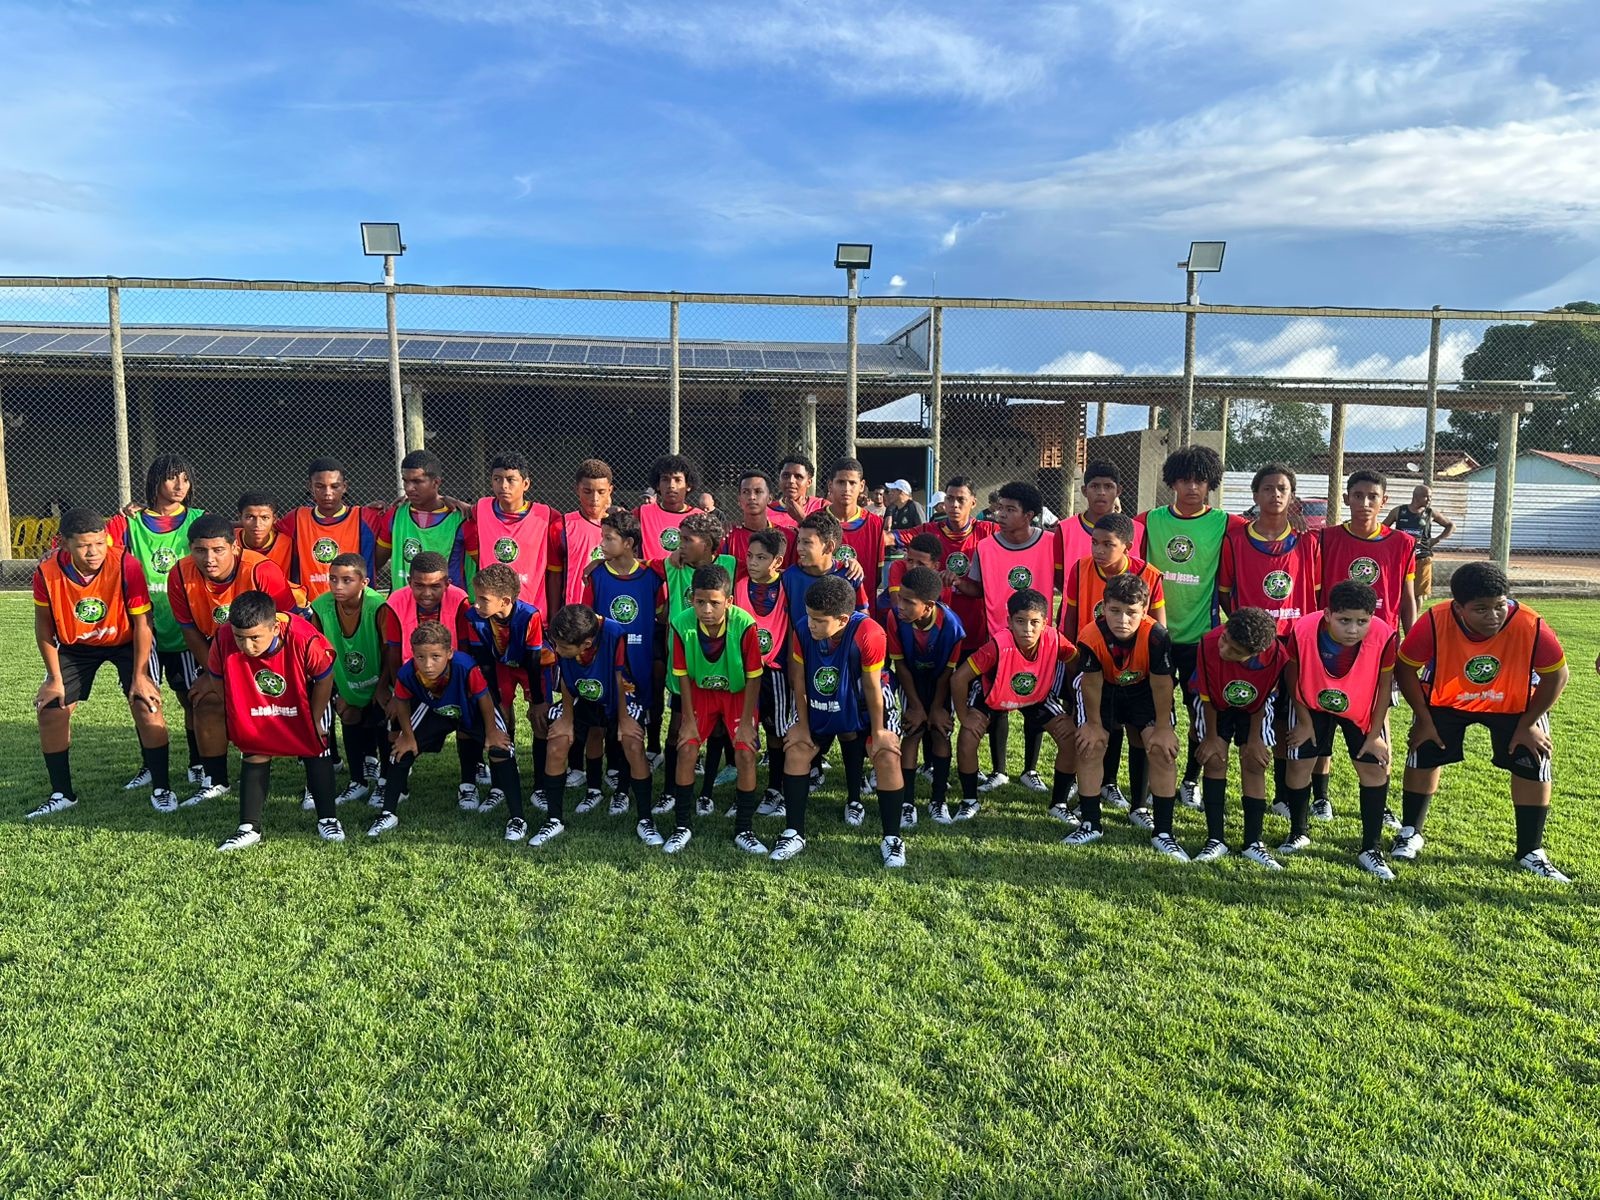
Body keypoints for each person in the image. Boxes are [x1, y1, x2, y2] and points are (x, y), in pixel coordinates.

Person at [1397, 561, 1571, 881]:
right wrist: (1423, 719)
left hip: (1514, 701)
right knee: (1424, 749)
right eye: (1481, 609)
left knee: (1534, 756)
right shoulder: (1435, 621)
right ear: (1458, 607)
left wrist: (1529, 723)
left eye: (1499, 606)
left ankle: (1531, 850)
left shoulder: (1530, 624)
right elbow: (1405, 668)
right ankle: (1410, 832)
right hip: (1448, 697)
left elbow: (1558, 676)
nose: (1493, 616)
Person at [30, 508, 172, 818]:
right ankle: (62, 794)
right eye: (84, 545)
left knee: (146, 702)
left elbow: (143, 623)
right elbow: (43, 627)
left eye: (99, 543)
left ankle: (162, 787)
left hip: (127, 640)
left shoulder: (126, 564)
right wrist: (53, 678)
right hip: (76, 646)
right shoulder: (46, 572)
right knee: (51, 709)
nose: (93, 552)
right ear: (64, 544)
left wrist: (140, 676)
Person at [775, 575, 908, 868]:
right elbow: (799, 680)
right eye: (809, 616)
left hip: (864, 703)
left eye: (819, 620)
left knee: (887, 755)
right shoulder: (803, 628)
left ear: (843, 619)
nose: (811, 624)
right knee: (796, 749)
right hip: (819, 698)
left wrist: (878, 732)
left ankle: (892, 838)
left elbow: (872, 687)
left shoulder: (870, 633)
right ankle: (794, 833)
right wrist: (802, 726)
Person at [1138, 444, 1243, 810]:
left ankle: (1189, 781)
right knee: (1154, 714)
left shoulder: (1226, 523)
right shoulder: (1149, 521)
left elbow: (1268, 533)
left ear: (1211, 483)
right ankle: (1149, 783)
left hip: (1202, 639)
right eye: (1184, 480)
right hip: (1156, 635)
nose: (1192, 487)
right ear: (1172, 482)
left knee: (1202, 714)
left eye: (1200, 480)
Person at [167, 513, 297, 807]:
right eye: (200, 550)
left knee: (290, 703)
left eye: (218, 550)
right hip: (219, 652)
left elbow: (287, 624)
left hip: (269, 652)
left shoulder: (261, 570)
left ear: (234, 547)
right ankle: (215, 780)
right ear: (190, 549)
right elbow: (190, 630)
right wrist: (215, 675)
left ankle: (313, 770)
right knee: (205, 699)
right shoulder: (179, 574)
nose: (209, 558)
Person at [1218, 463, 1323, 811]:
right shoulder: (1236, 540)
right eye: (1267, 488)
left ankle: (1286, 795)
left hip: (1295, 646)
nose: (1275, 495)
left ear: (1291, 497)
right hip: (1255, 648)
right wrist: (1246, 630)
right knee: (1256, 716)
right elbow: (1225, 593)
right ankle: (1255, 789)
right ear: (1255, 494)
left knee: (1290, 720)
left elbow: (1317, 595)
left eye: (1282, 489)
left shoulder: (1308, 541)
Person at [210, 591, 346, 850]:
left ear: (274, 628)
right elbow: (217, 676)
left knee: (316, 747)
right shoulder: (224, 636)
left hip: (306, 693)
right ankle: (248, 827)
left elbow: (324, 677)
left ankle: (328, 819)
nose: (247, 646)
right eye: (240, 637)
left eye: (255, 638)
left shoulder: (303, 637)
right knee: (254, 749)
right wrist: (237, 708)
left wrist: (315, 717)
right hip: (254, 691)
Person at [1281, 581, 1398, 878]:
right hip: (1312, 704)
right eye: (1344, 620)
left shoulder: (1385, 635)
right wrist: (1304, 721)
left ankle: (1371, 848)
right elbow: (1292, 675)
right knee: (1298, 765)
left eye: (1362, 621)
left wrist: (1375, 734)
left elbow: (1385, 687)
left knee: (1374, 770)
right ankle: (1298, 832)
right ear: (1328, 614)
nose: (1353, 629)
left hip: (1361, 708)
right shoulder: (1303, 630)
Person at [366, 621, 518, 840]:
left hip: (473, 710)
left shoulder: (465, 666)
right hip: (435, 710)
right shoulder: (407, 673)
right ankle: (388, 813)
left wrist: (492, 731)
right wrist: (407, 736)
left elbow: (484, 698)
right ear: (413, 654)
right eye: (420, 657)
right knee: (400, 751)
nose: (427, 664)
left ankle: (517, 819)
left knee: (501, 750)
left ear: (449, 653)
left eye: (435, 656)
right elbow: (402, 701)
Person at [957, 480, 1064, 794]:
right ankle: (999, 770)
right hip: (999, 641)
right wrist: (958, 583)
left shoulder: (1050, 543)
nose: (1000, 514)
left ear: (1029, 515)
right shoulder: (986, 547)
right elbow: (978, 588)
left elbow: (1063, 582)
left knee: (1036, 700)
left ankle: (1030, 769)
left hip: (1037, 641)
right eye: (999, 508)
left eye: (1009, 509)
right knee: (997, 703)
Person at [105, 454, 204, 790]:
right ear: (155, 481)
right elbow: (92, 545)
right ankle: (150, 764)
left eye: (185, 479)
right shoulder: (128, 523)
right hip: (142, 627)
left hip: (186, 626)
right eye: (172, 477)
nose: (180, 485)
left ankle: (197, 761)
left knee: (192, 697)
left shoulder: (199, 520)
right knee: (144, 698)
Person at [1065, 573, 1180, 853]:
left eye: (1131, 612)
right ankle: (1090, 823)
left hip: (1143, 689)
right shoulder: (1090, 635)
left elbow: (1161, 684)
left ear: (1145, 610)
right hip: (1104, 689)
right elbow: (1091, 683)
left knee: (1161, 750)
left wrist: (1163, 728)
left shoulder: (1157, 636)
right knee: (1091, 745)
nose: (1123, 619)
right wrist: (1094, 724)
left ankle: (1163, 832)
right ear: (1104, 607)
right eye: (1115, 610)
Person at [949, 588, 1076, 825]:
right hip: (994, 695)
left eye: (1034, 622)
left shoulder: (1056, 640)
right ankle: (969, 800)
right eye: (1020, 621)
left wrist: (1073, 713)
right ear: (1009, 621)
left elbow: (1081, 671)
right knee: (967, 737)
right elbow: (958, 678)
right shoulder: (997, 646)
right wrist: (964, 716)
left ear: (1045, 623)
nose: (1027, 629)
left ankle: (1059, 804)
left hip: (1036, 695)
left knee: (1070, 738)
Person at [665, 564, 765, 855]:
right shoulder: (681, 624)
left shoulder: (744, 625)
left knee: (745, 753)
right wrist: (687, 719)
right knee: (686, 749)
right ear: (691, 599)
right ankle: (682, 825)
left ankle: (744, 829)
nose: (706, 609)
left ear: (729, 601)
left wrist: (746, 723)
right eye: (700, 602)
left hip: (737, 696)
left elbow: (754, 677)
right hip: (701, 694)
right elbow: (683, 675)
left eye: (714, 602)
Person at [537, 602, 654, 846]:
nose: (556, 650)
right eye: (556, 644)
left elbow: (619, 677)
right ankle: (555, 818)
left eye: (563, 647)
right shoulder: (565, 637)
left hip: (619, 692)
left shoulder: (613, 633)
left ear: (587, 644)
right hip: (583, 693)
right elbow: (566, 677)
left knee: (632, 742)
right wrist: (566, 719)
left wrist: (624, 720)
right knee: (557, 742)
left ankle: (645, 819)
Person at [1190, 607, 1288, 866]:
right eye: (1225, 640)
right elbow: (1207, 695)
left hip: (1254, 708)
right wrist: (1212, 737)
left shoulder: (1277, 656)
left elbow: (1262, 697)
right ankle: (1215, 839)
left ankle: (1253, 842)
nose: (1224, 649)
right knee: (1214, 759)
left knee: (1254, 762)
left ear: (1255, 653)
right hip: (1215, 705)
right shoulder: (1208, 643)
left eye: (1234, 651)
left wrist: (1254, 739)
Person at [458, 562, 544, 835]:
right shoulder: (474, 618)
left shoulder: (530, 616)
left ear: (505, 601)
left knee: (540, 720)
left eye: (483, 599)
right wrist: (495, 703)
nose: (476, 603)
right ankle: (500, 784)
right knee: (501, 717)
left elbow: (534, 660)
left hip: (530, 668)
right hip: (498, 667)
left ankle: (541, 786)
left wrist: (537, 700)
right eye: (476, 597)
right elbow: (483, 661)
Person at [581, 510, 667, 776]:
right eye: (602, 537)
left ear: (628, 543)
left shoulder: (651, 576)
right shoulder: (596, 576)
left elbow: (662, 614)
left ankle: (641, 760)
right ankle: (612, 767)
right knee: (607, 713)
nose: (602, 544)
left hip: (640, 656)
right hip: (607, 660)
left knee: (641, 708)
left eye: (609, 538)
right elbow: (587, 620)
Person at [306, 553, 389, 811]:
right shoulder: (321, 607)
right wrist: (335, 689)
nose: (337, 586)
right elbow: (319, 653)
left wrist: (383, 687)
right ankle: (358, 781)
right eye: (333, 579)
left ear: (364, 582)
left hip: (380, 678)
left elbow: (390, 651)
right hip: (347, 680)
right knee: (349, 715)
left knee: (383, 719)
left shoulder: (379, 606)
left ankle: (385, 781)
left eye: (346, 580)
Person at [886, 565, 963, 825]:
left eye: (909, 602)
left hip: (941, 682)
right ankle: (907, 802)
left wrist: (937, 708)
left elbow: (947, 672)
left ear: (928, 606)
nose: (900, 605)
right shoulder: (894, 618)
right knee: (913, 730)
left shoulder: (951, 626)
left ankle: (938, 800)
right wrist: (916, 707)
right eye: (900, 597)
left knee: (940, 732)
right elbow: (901, 666)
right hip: (911, 681)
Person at [733, 527, 792, 817]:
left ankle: (775, 789)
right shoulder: (739, 586)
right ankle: (744, 791)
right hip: (745, 672)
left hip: (775, 672)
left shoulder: (788, 585)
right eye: (749, 556)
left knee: (777, 731)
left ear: (777, 561)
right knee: (745, 730)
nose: (753, 562)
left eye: (761, 557)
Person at [461, 450, 561, 613]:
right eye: (497, 479)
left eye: (510, 479)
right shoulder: (481, 509)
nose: (503, 486)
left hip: (531, 611)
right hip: (491, 611)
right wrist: (447, 500)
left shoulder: (547, 516)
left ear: (526, 484)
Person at [1319, 471, 1417, 632]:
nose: (1365, 503)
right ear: (1346, 499)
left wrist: (1412, 641)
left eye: (1373, 497)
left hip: (1382, 634)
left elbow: (1407, 598)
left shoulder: (1403, 543)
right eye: (1358, 496)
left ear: (1383, 501)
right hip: (1334, 635)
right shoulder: (1324, 539)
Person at [277, 457, 381, 604]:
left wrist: (404, 502)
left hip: (357, 607)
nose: (328, 493)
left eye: (334, 486)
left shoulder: (366, 517)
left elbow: (396, 522)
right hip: (309, 609)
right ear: (310, 487)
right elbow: (263, 531)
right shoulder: (296, 518)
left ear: (344, 487)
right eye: (320, 486)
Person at [379, 449, 467, 589]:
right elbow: (375, 562)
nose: (409, 488)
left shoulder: (460, 518)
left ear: (436, 483)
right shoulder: (394, 515)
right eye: (405, 481)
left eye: (417, 481)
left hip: (448, 601)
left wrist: (472, 509)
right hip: (403, 601)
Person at [824, 458, 892, 606]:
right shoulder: (817, 521)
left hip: (863, 607)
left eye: (852, 483)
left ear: (861, 486)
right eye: (841, 482)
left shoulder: (875, 524)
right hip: (825, 607)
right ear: (830, 485)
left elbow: (877, 575)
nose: (846, 488)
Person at [557, 459, 615, 607]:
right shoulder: (562, 526)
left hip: (611, 608)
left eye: (601, 492)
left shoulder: (621, 527)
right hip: (574, 611)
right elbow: (553, 574)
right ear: (577, 489)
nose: (594, 498)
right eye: (587, 491)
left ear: (610, 490)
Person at [235, 491, 305, 607]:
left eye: (264, 517)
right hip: (239, 604)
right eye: (250, 517)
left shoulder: (288, 544)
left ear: (274, 518)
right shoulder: (230, 542)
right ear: (240, 518)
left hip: (278, 603)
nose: (257, 524)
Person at [1385, 484, 1453, 602]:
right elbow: (1383, 529)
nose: (1429, 500)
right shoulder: (1399, 511)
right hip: (1401, 558)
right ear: (1416, 497)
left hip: (1422, 557)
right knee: (1398, 592)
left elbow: (1450, 526)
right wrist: (1391, 543)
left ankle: (1415, 615)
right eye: (1427, 497)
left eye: (1430, 497)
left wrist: (1436, 540)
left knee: (1418, 594)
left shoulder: (1430, 513)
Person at [722, 470, 796, 577]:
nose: (752, 497)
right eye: (745, 492)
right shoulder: (727, 536)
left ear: (770, 498)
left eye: (758, 491)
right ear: (739, 500)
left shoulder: (789, 537)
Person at [1061, 461, 1134, 568]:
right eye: (1095, 486)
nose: (1101, 492)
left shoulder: (1138, 530)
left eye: (1108, 486)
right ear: (1084, 491)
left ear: (1118, 491)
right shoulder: (1064, 530)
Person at [635, 454, 704, 559]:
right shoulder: (641, 513)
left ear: (688, 485)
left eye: (677, 480)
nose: (671, 485)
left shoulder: (700, 517)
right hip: (651, 569)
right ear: (657, 485)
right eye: (665, 479)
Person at [771, 454, 828, 525]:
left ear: (809, 482)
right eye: (786, 475)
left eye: (798, 477)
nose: (791, 480)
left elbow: (834, 531)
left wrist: (802, 518)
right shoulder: (768, 510)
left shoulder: (822, 506)